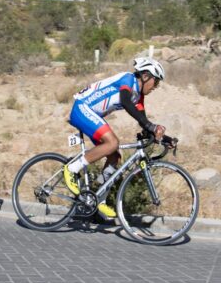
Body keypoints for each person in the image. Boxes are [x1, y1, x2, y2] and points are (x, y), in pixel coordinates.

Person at [63, 57, 167, 219]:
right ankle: (71, 169)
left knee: (115, 156)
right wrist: (149, 126)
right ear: (146, 76)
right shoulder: (128, 79)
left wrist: (164, 137)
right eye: (156, 82)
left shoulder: (139, 96)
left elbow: (144, 122)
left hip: (92, 114)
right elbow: (125, 101)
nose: (156, 87)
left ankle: (97, 199)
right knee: (113, 143)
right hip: (82, 108)